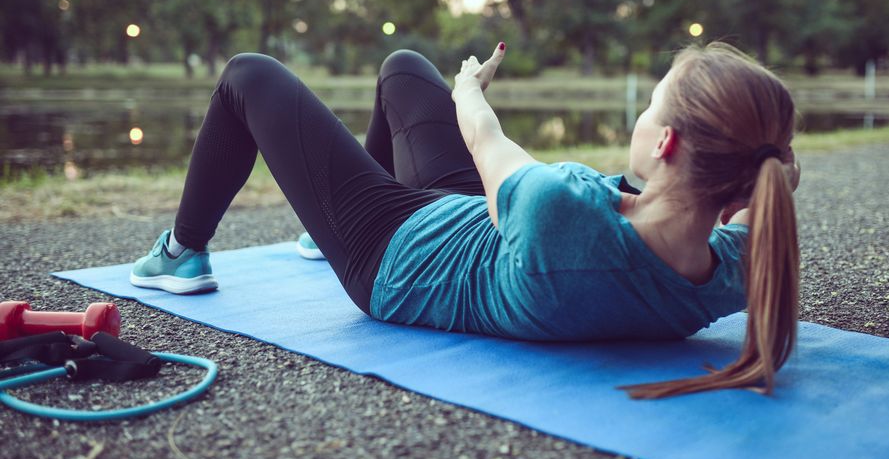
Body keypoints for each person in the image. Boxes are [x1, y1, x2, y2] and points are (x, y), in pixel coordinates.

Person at [131, 41, 801, 398]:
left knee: (249, 74)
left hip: (396, 253)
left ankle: (183, 252)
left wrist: (470, 87)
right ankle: (321, 231)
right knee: (402, 69)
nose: (644, 117)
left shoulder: (557, 210)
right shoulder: (737, 267)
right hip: (474, 226)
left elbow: (483, 134)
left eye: (651, 108)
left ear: (666, 145)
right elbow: (765, 190)